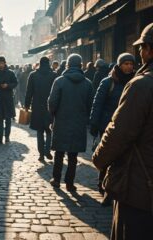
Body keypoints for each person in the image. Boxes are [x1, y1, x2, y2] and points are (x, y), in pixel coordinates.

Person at [92, 23, 153, 240]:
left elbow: (119, 132)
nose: (140, 53)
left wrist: (99, 159)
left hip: (140, 182)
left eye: (142, 47)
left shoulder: (142, 85)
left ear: (149, 50)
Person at [90, 53, 135, 206]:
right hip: (107, 126)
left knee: (121, 159)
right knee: (108, 157)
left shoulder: (136, 81)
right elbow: (98, 104)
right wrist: (94, 124)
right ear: (119, 64)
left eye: (131, 64)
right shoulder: (108, 82)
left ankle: (115, 188)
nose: (129, 67)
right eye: (125, 63)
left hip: (128, 127)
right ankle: (104, 187)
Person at [48, 54, 93, 192]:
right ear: (80, 65)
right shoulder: (88, 83)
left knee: (59, 152)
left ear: (67, 65)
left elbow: (52, 102)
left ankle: (56, 179)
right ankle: (69, 183)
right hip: (78, 122)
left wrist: (53, 115)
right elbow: (90, 104)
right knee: (73, 155)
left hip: (61, 120)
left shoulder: (59, 81)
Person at [25, 57, 57, 162]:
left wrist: (26, 105)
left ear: (39, 63)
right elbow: (57, 93)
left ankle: (41, 154)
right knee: (48, 130)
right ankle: (47, 150)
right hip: (50, 106)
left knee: (39, 131)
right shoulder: (54, 75)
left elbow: (29, 92)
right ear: (48, 63)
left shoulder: (33, 75)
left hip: (37, 106)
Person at [0, 56, 18, 144]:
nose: (1, 64)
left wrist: (8, 85)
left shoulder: (10, 73)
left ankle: (7, 137)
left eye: (2, 63)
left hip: (8, 98)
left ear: (5, 63)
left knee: (8, 119)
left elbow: (15, 83)